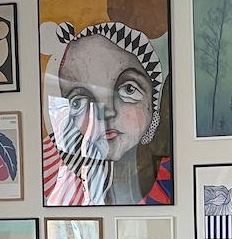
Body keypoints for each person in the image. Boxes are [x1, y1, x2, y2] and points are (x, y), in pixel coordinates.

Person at [41, 20, 171, 205]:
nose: (106, 112)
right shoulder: (64, 188)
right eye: (80, 101)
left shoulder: (172, 179)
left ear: (152, 101)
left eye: (128, 89)